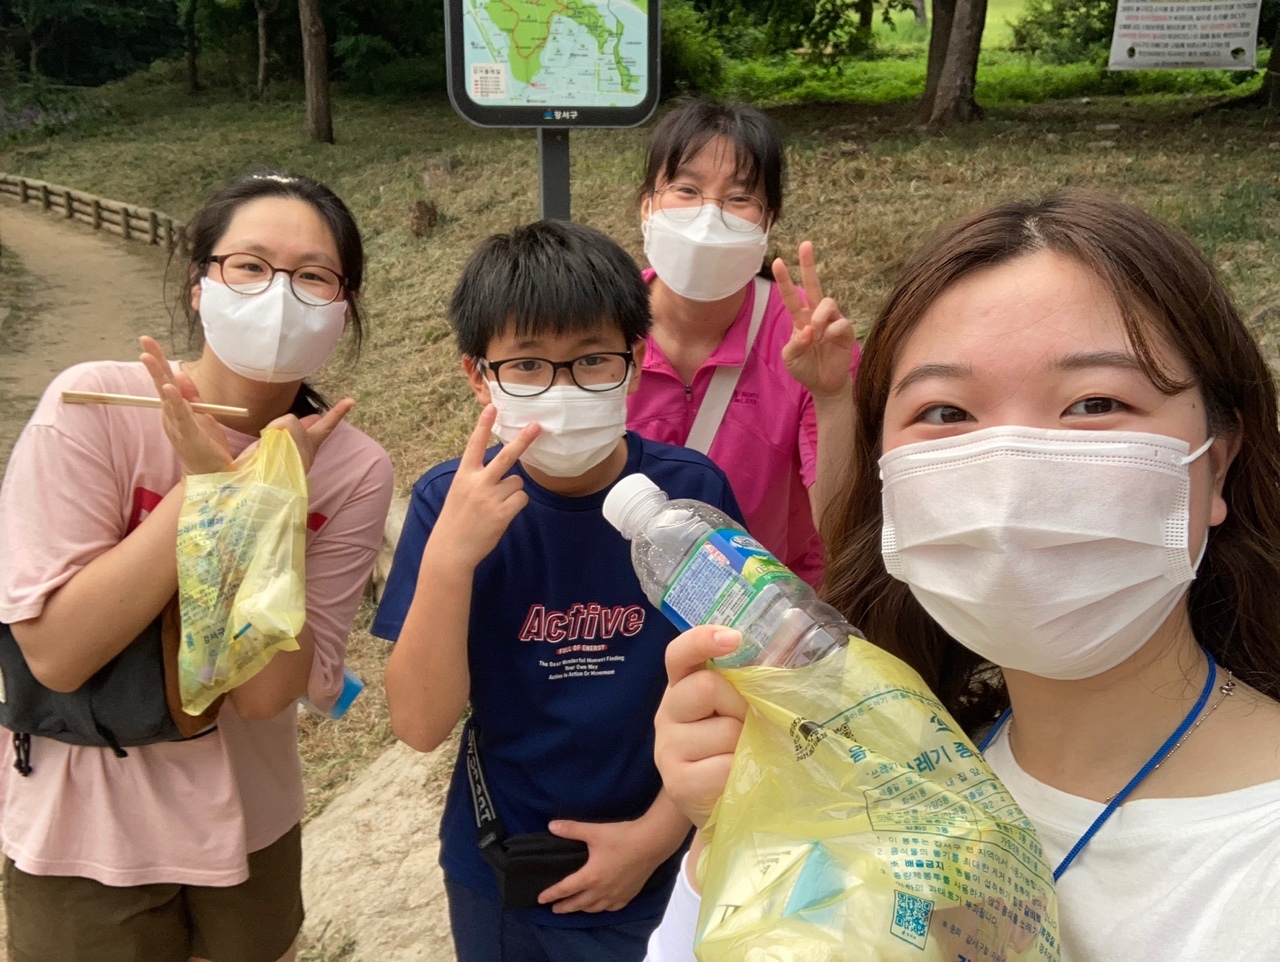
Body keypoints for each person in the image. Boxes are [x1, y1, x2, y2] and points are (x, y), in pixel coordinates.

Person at [644, 190, 1280, 961]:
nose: (1012, 478)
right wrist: (737, 839)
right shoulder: (893, 776)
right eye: (946, 414)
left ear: (1216, 465)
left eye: (1095, 403)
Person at [0, 170, 394, 962]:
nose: (279, 294)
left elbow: (265, 696)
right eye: (249, 266)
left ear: (343, 305)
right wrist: (209, 491)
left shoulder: (351, 469)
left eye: (314, 276)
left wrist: (266, 503)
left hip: (251, 823)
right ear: (198, 284)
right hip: (85, 831)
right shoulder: (94, 407)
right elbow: (60, 654)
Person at [375, 220, 744, 962]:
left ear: (634, 364)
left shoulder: (690, 495)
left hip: (665, 860)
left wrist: (655, 837)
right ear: (479, 376)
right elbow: (419, 723)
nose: (563, 388)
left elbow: (738, 689)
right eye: (528, 365)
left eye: (591, 360)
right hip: (502, 865)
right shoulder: (447, 504)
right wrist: (449, 560)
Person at [628, 99, 861, 588]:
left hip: (759, 605)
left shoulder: (806, 339)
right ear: (647, 205)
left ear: (768, 221)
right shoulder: (598, 326)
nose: (708, 217)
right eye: (686, 190)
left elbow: (841, 528)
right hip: (618, 606)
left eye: (738, 198)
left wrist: (833, 396)